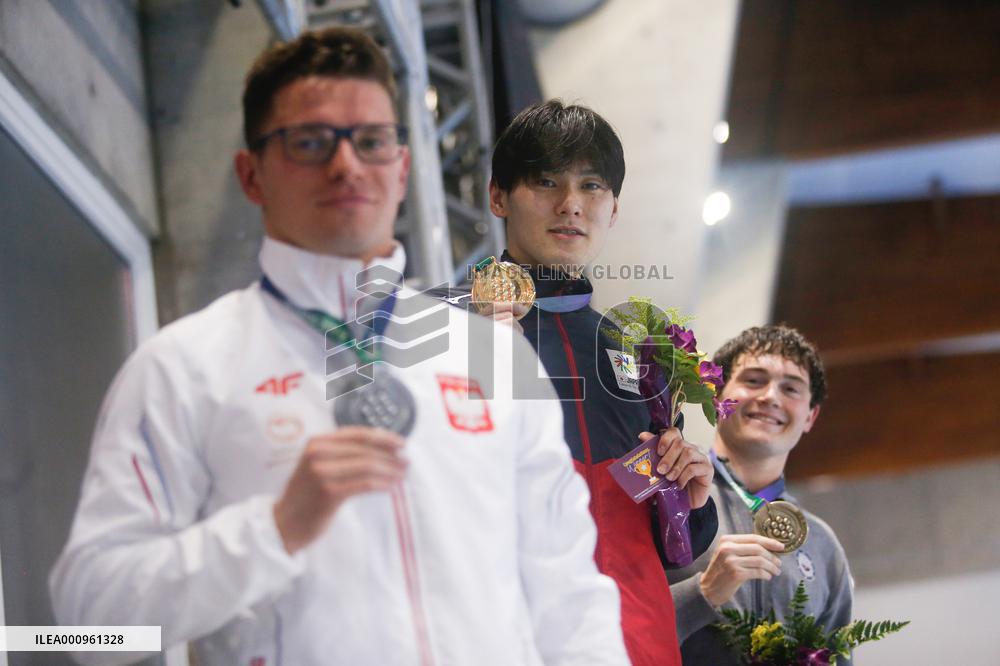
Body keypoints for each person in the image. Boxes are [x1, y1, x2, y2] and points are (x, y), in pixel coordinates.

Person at [49, 28, 629, 665]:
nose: (347, 164)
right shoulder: (184, 368)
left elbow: (568, 596)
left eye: (371, 141)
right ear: (251, 175)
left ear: (401, 168)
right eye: (310, 142)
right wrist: (272, 530)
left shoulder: (491, 353)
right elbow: (87, 627)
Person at [463, 100, 720, 666]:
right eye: (545, 181)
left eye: (591, 185)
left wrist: (688, 498)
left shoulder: (637, 356)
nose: (570, 204)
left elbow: (669, 544)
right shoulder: (450, 331)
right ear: (498, 196)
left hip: (636, 644)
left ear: (614, 208)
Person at [666, 325, 854, 665]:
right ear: (716, 396)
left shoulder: (823, 546)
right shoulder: (666, 499)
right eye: (753, 380)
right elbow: (611, 627)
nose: (770, 397)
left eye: (791, 388)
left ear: (810, 416)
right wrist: (702, 592)